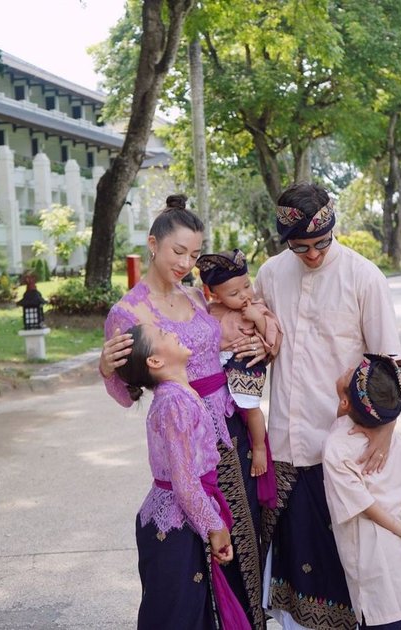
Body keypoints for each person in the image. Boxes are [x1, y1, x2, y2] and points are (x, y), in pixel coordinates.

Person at [99, 195, 267, 628]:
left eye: (194, 255)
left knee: (247, 541)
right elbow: (125, 392)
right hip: (189, 439)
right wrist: (105, 369)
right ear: (153, 244)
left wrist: (258, 342)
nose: (186, 263)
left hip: (233, 426)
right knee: (202, 551)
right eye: (178, 252)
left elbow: (231, 330)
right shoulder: (128, 313)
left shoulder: (195, 295)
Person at [254, 182, 401, 630]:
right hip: (287, 446)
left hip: (343, 452)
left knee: (354, 573)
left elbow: (389, 367)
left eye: (321, 244)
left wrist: (384, 433)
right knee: (296, 567)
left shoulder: (363, 277)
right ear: (285, 241)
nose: (314, 255)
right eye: (301, 248)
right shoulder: (270, 275)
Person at [114, 322, 250, 629]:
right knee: (176, 615)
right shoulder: (174, 402)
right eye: (163, 335)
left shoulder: (178, 394)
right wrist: (215, 527)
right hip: (175, 523)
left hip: (181, 518)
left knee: (188, 611)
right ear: (155, 361)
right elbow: (184, 481)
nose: (172, 332)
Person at [324, 354, 401, 629]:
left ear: (345, 402)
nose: (348, 367)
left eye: (350, 373)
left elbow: (362, 502)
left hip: (377, 570)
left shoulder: (337, 446)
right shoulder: (388, 438)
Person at [196, 248, 282, 480]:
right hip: (218, 371)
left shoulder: (257, 308)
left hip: (245, 365)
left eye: (247, 285)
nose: (245, 295)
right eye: (234, 292)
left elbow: (272, 336)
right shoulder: (210, 311)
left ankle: (260, 448)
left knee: (250, 407)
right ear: (215, 294)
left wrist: (258, 319)